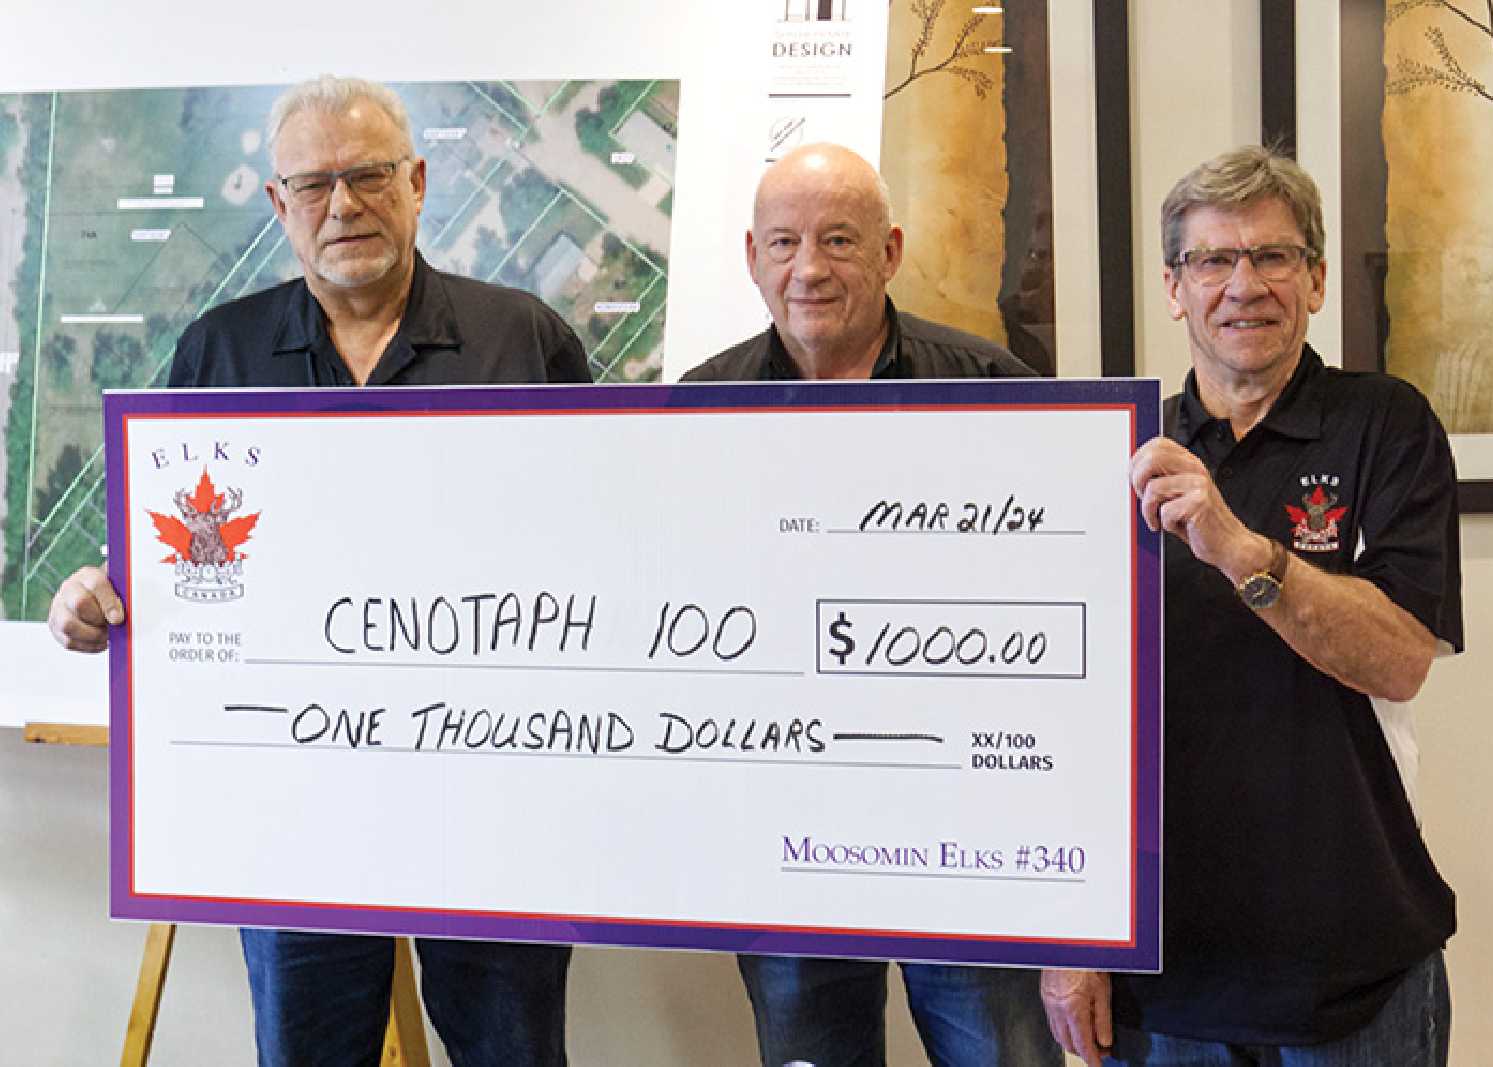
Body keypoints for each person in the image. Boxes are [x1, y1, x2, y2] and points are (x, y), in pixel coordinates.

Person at [47, 75, 589, 1066]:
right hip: (294, 807)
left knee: (513, 1051)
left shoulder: (527, 339)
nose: (343, 205)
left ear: (419, 181)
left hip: (493, 798)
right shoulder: (220, 351)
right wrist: (96, 593)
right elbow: (177, 553)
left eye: (369, 175)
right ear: (278, 204)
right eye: (314, 184)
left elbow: (605, 550)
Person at [1041, 146, 1463, 1066]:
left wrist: (1240, 549)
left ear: (1314, 277)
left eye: (1273, 257)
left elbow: (1398, 657)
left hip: (1352, 968)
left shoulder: (1386, 424)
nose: (1245, 285)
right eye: (1212, 260)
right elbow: (1067, 715)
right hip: (1168, 972)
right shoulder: (1121, 445)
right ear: (1172, 287)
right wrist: (1071, 938)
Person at [682, 142, 1060, 1067]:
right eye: (784, 243)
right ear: (751, 256)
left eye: (838, 240)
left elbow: (1055, 626)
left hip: (969, 826)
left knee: (999, 1055)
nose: (808, 268)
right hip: (785, 834)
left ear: (890, 251)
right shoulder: (696, 411)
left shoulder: (995, 392)